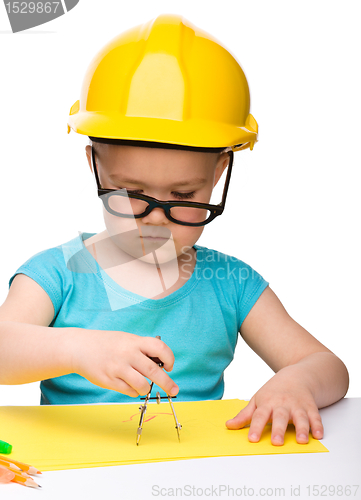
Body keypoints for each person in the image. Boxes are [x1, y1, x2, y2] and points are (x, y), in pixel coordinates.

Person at [0, 14, 348, 446]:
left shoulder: (231, 284)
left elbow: (329, 366)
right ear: (95, 166)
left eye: (183, 195)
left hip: (194, 473)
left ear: (218, 175)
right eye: (133, 193)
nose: (157, 218)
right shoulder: (59, 273)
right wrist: (77, 349)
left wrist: (299, 383)